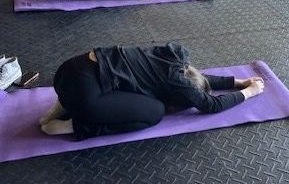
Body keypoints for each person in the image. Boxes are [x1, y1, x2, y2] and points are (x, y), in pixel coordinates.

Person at [39, 42, 265, 139]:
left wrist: (238, 81)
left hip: (66, 72)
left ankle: (57, 109)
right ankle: (68, 125)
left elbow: (201, 79)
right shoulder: (178, 86)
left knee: (106, 79)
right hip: (84, 98)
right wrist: (250, 92)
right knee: (153, 112)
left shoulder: (173, 56)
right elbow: (210, 104)